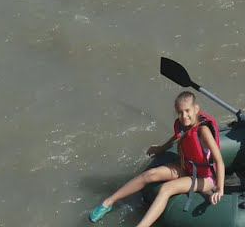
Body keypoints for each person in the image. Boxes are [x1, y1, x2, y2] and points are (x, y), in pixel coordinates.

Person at [89, 91, 225, 226]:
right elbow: (179, 136)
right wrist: (161, 148)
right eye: (180, 112)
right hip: (187, 167)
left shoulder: (203, 131)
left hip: (205, 178)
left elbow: (219, 161)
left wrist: (220, 189)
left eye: (187, 111)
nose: (184, 116)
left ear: (196, 108)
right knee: (150, 174)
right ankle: (109, 202)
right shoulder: (184, 125)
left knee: (166, 189)